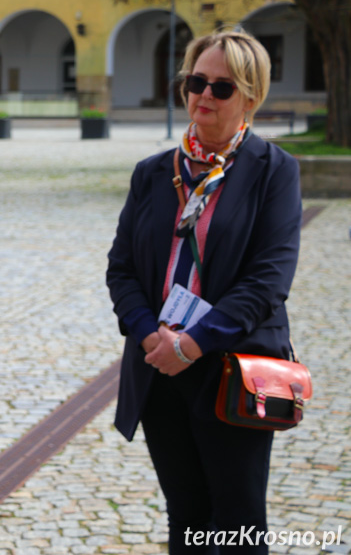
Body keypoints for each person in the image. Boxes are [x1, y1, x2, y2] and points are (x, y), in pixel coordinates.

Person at [107, 30, 301, 554]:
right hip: (159, 368)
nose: (204, 97)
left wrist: (192, 343)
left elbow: (269, 281)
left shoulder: (274, 172)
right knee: (186, 517)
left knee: (237, 523)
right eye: (195, 82)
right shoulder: (153, 172)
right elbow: (121, 269)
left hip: (231, 368)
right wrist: (151, 336)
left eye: (222, 87)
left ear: (251, 98)